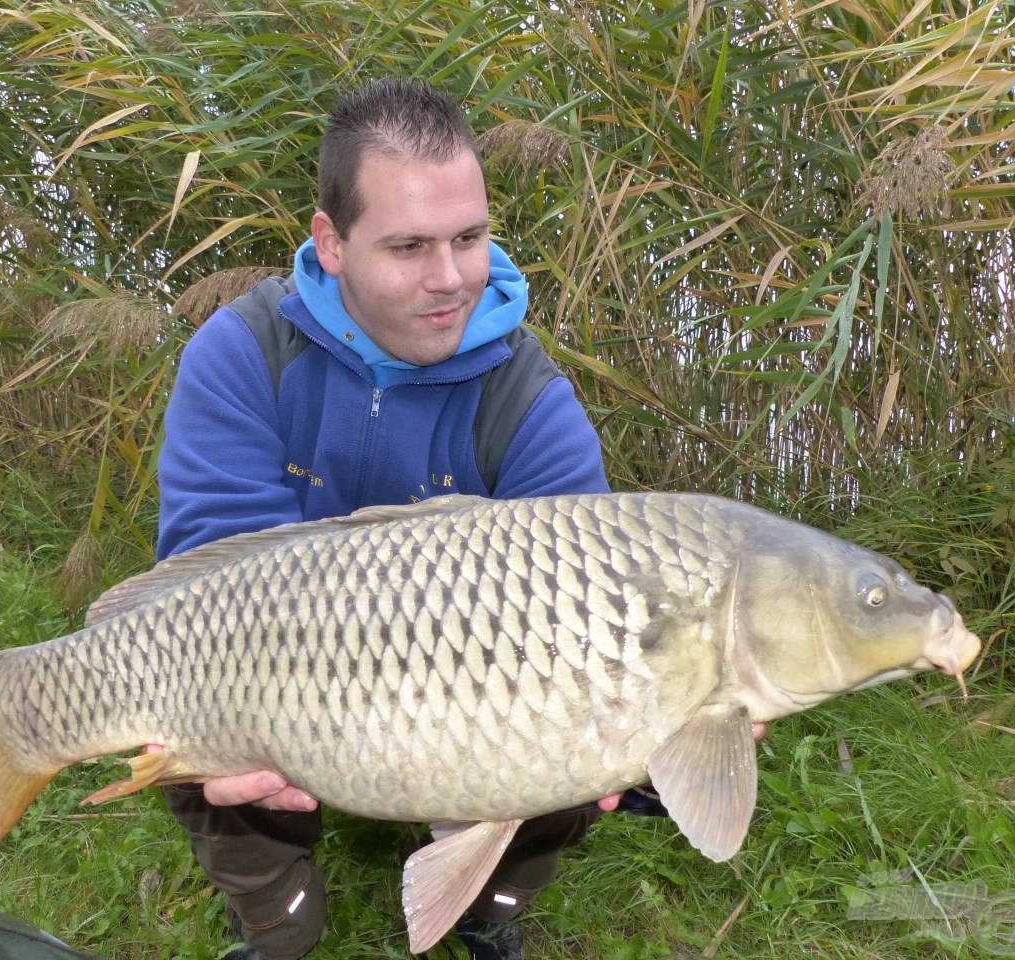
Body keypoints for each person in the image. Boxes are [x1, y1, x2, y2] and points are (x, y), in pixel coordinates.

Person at [155, 76, 615, 960]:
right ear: (331, 243)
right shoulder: (244, 354)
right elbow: (213, 582)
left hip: (475, 688)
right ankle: (275, 923)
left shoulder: (531, 401)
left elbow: (579, 619)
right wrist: (252, 725)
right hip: (272, 666)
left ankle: (485, 909)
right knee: (186, 709)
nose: (450, 281)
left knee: (574, 759)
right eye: (407, 246)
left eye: (470, 238)